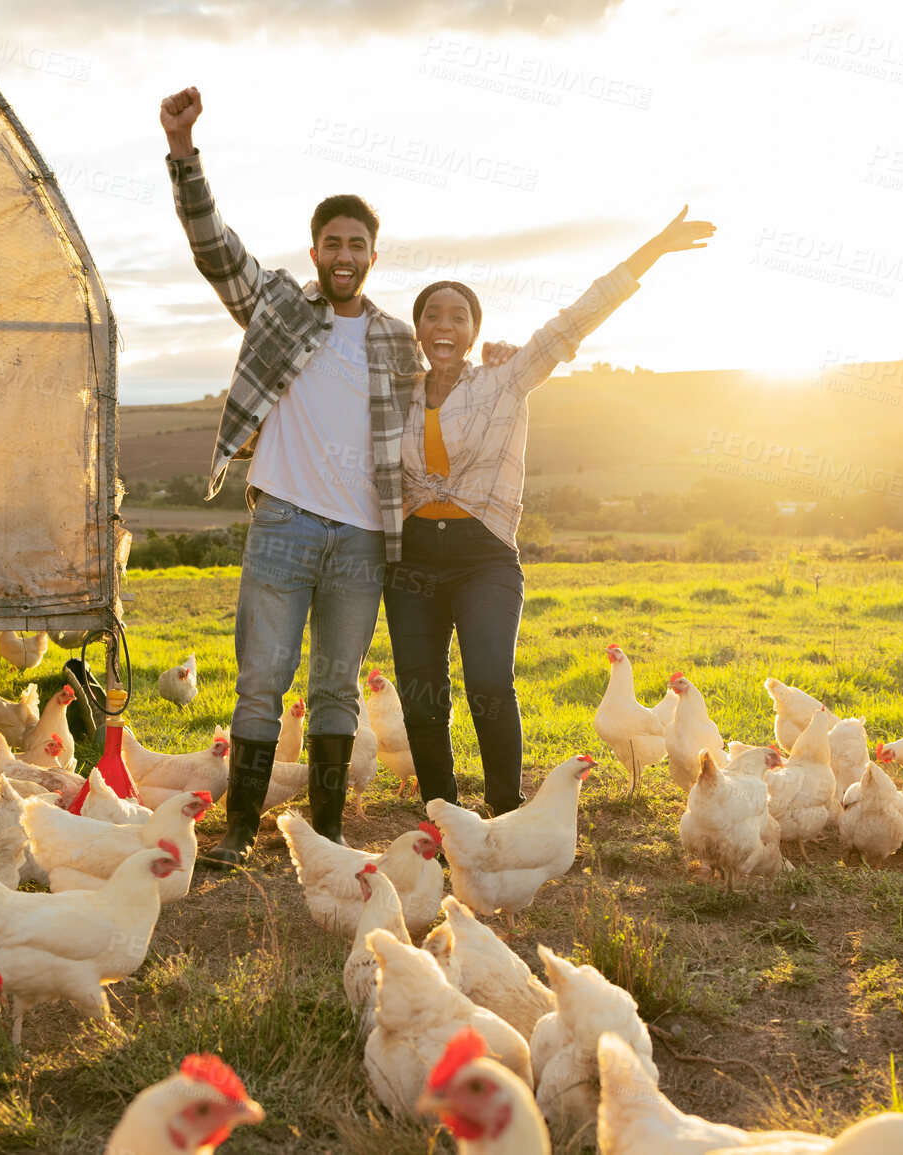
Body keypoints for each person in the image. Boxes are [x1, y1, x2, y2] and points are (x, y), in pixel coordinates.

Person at [160, 87, 511, 867]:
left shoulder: (393, 340)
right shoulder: (280, 307)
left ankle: (319, 835)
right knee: (260, 685)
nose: (345, 255)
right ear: (314, 250)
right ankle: (243, 829)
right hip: (283, 525)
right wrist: (183, 151)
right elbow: (215, 249)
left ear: (372, 257)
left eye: (358, 244)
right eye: (333, 243)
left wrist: (500, 365)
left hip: (360, 540)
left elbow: (448, 394)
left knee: (335, 692)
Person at [383, 208, 716, 815]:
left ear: (475, 329)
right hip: (410, 560)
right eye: (432, 314)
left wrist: (657, 248)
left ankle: (507, 810)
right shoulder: (395, 393)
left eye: (459, 315)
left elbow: (578, 317)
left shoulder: (505, 380)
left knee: (488, 682)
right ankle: (442, 817)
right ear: (418, 329)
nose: (444, 324)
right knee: (421, 696)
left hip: (483, 557)